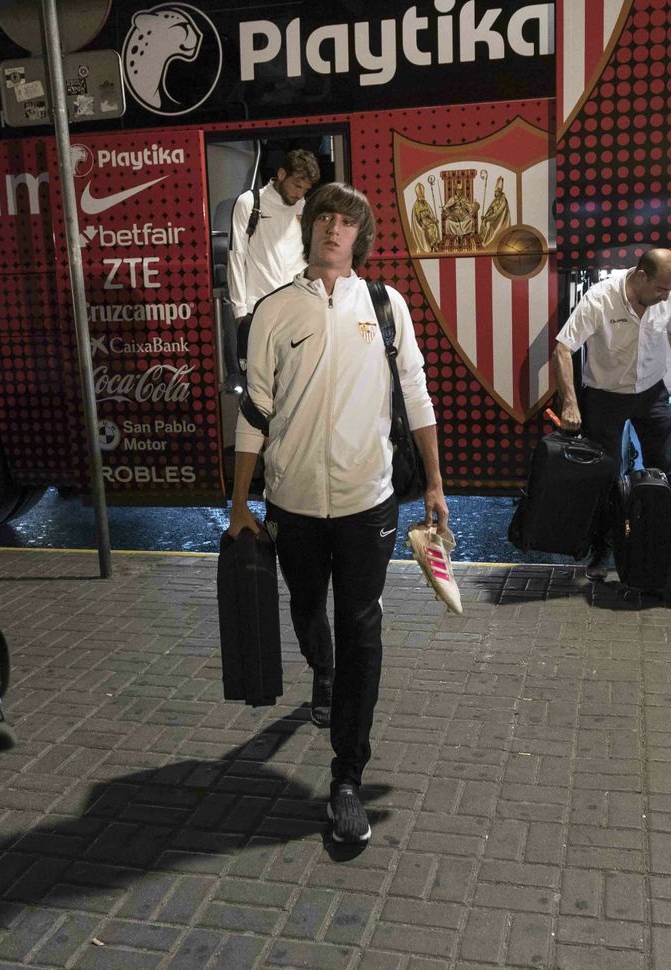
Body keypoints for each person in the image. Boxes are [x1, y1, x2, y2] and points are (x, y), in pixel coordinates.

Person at [226, 182, 447, 844]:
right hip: (291, 504)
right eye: (324, 217)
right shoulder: (273, 310)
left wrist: (435, 484)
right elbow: (255, 409)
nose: (333, 228)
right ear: (309, 230)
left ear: (361, 237)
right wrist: (240, 501)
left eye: (346, 222)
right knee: (303, 608)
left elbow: (417, 392)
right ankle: (320, 671)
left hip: (367, 504)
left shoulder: (385, 306)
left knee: (362, 628)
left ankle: (347, 775)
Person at [552, 248, 671, 579]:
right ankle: (604, 550)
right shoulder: (600, 298)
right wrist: (570, 402)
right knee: (606, 476)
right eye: (661, 288)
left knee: (667, 470)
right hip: (605, 396)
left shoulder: (666, 296)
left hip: (651, 393)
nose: (666, 296)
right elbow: (562, 349)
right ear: (640, 276)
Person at [226, 148, 320, 348]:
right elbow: (236, 256)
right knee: (261, 378)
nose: (299, 194)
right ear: (281, 174)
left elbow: (312, 258)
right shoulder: (249, 202)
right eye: (297, 185)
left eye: (305, 189)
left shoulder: (307, 208)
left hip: (299, 309)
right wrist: (240, 311)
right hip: (258, 310)